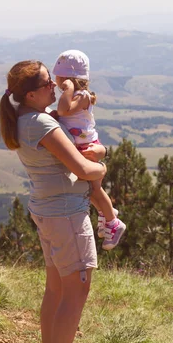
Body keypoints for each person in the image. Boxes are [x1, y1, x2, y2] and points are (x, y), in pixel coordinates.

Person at [0, 60, 106, 343]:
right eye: (47, 83)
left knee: (56, 290)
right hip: (67, 214)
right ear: (31, 94)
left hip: (48, 212)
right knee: (76, 293)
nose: (54, 86)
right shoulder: (42, 123)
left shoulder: (23, 119)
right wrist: (102, 167)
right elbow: (82, 169)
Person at [52, 49, 126, 250]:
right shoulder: (75, 96)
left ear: (68, 78)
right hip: (83, 146)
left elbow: (62, 110)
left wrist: (67, 90)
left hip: (87, 148)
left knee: (94, 189)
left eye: (58, 76)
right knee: (90, 190)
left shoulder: (81, 96)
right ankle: (106, 213)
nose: (55, 80)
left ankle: (113, 222)